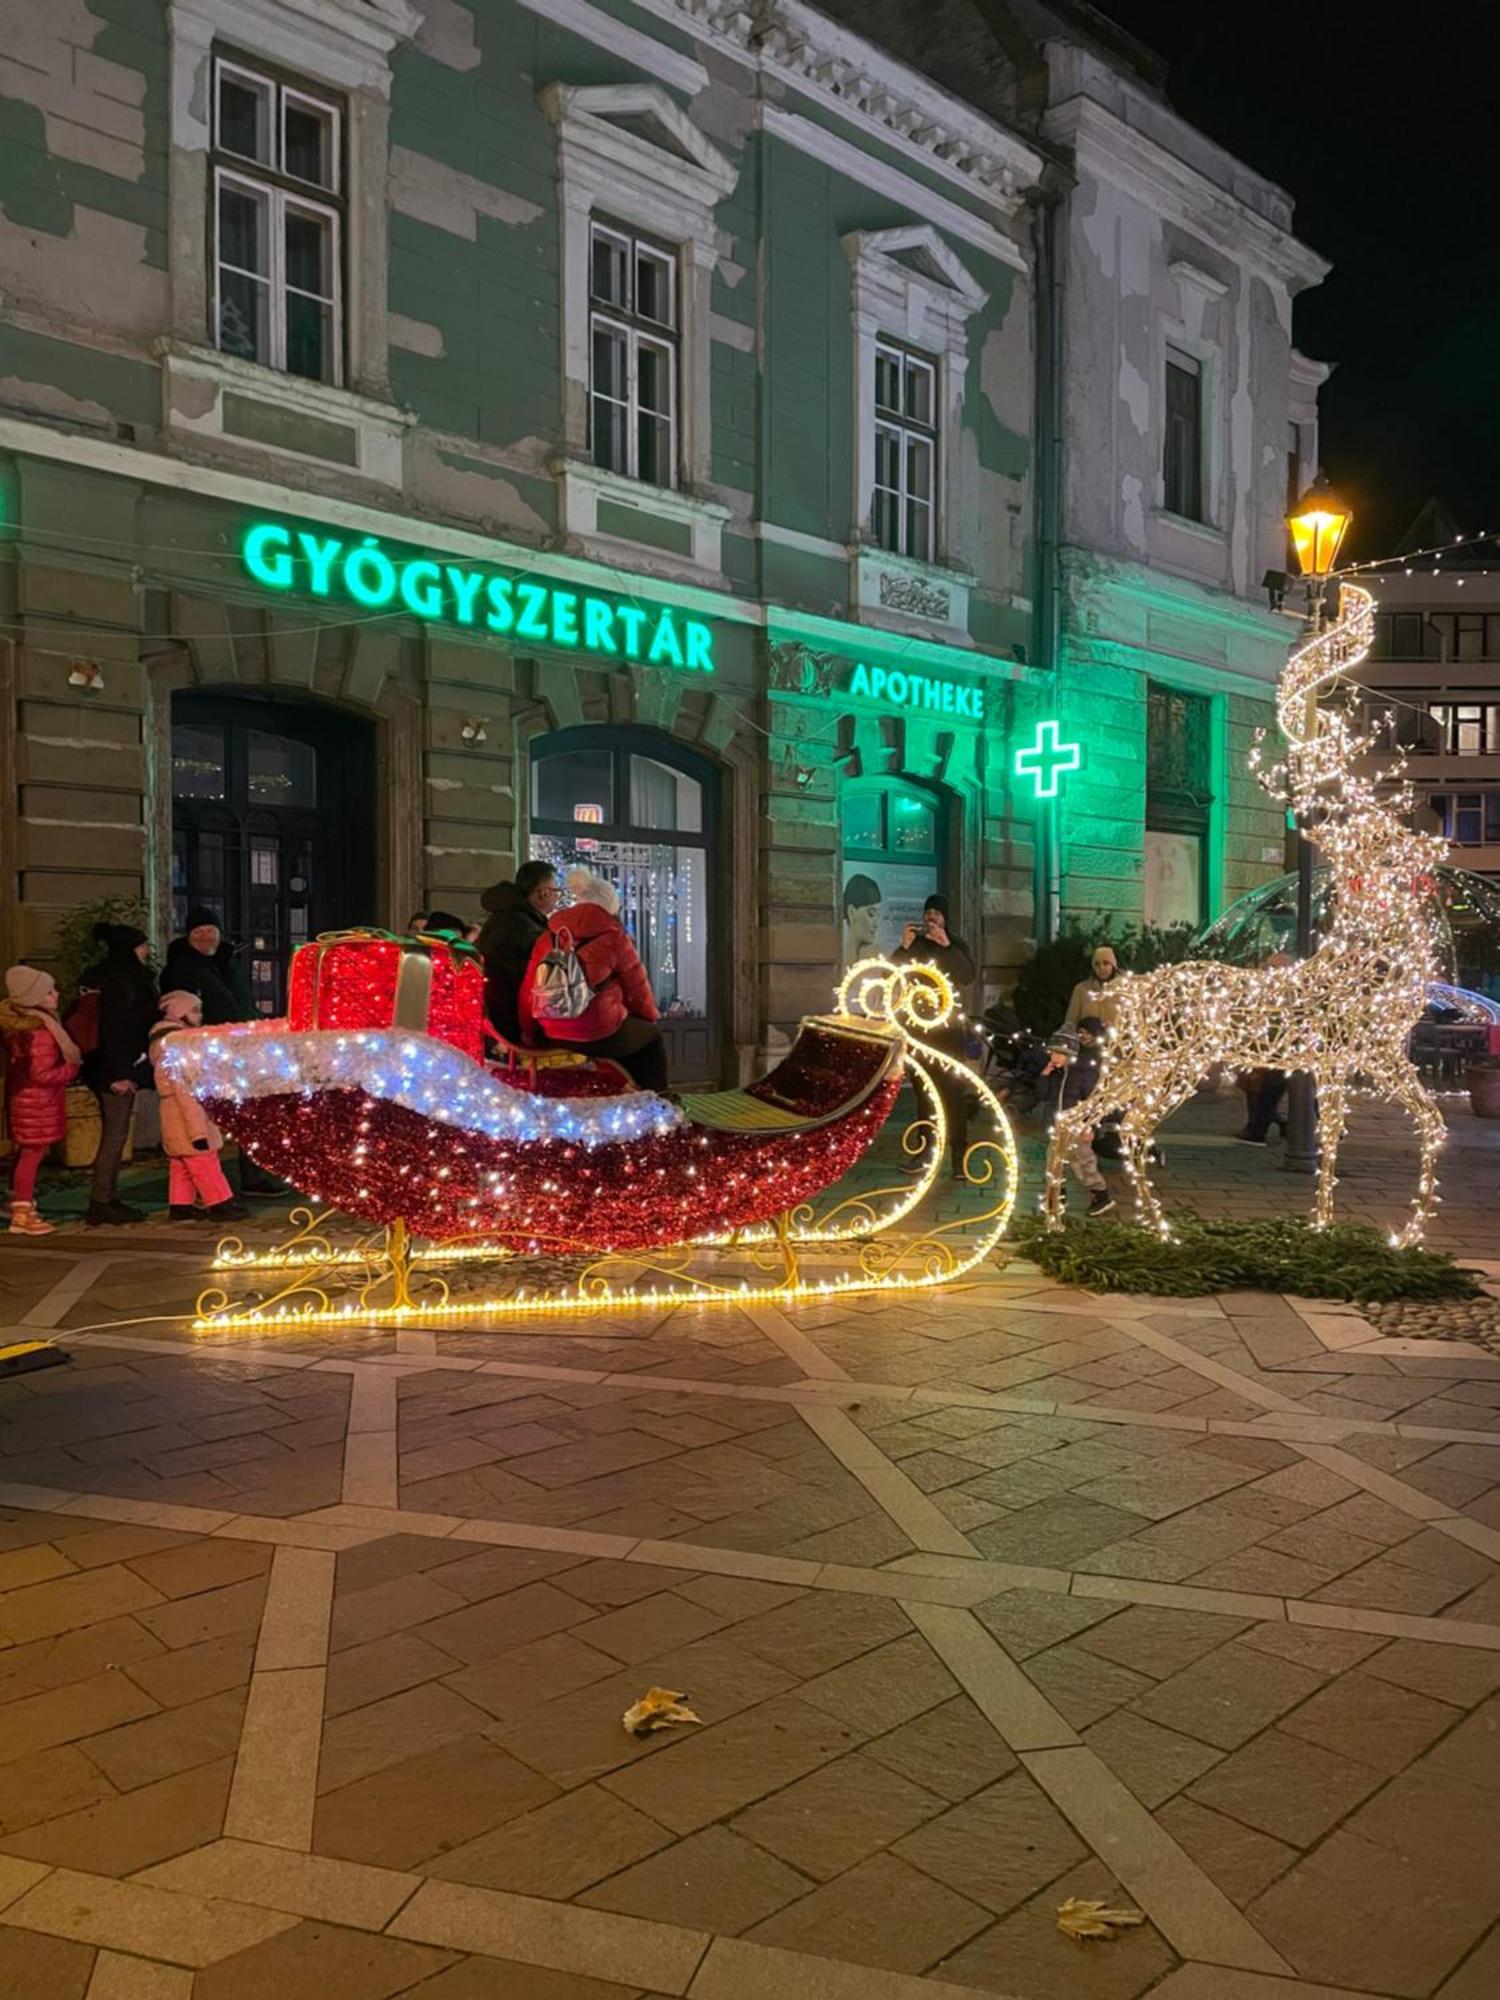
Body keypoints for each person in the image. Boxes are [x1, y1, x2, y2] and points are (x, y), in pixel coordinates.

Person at [519, 868, 667, 1091]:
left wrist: (529, 1033)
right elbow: (638, 989)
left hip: (553, 1030)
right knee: (650, 1038)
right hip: (599, 1033)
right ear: (609, 906)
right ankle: (657, 1102)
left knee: (627, 1036)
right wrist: (648, 1017)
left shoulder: (548, 936)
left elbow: (528, 990)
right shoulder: (614, 936)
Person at [161, 908, 276, 1194]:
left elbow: (240, 1000)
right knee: (203, 1117)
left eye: (210, 930)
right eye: (198, 931)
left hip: (241, 1045)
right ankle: (202, 1188)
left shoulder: (227, 961)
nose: (205, 937)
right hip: (207, 1048)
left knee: (248, 1111)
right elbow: (181, 1009)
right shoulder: (180, 966)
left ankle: (250, 1176)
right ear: (188, 935)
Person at [77, 922, 158, 1227]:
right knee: (115, 1135)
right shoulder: (123, 980)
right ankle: (101, 1201)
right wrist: (120, 1073)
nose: (146, 951)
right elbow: (117, 1030)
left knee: (116, 1133)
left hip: (105, 1067)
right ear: (130, 948)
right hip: (113, 1070)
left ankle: (107, 1197)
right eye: (142, 945)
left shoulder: (104, 975)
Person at [893, 894, 978, 1177]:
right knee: (924, 1094)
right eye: (927, 911)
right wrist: (903, 947)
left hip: (949, 1032)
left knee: (952, 1094)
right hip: (919, 1031)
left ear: (945, 918)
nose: (931, 917)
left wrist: (948, 946)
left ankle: (959, 1158)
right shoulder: (915, 945)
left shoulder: (955, 945)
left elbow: (967, 976)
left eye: (937, 913)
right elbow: (893, 974)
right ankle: (924, 1153)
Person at [150, 992, 247, 1222]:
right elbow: (186, 1092)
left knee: (181, 1162)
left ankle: (180, 1205)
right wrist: (198, 1132)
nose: (199, 1015)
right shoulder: (179, 1045)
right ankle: (220, 1203)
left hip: (173, 1113)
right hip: (186, 1115)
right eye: (194, 1011)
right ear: (179, 1014)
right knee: (203, 1159)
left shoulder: (164, 1042)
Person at [1, 966, 81, 1236]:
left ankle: (16, 1201)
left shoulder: (19, 1025)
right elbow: (41, 1073)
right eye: (49, 991)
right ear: (33, 997)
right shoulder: (40, 1032)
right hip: (36, 1102)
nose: (55, 994)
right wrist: (71, 1068)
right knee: (31, 1154)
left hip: (25, 1099)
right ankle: (23, 1213)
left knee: (26, 1153)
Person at [478, 861, 560, 1044]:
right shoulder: (523, 928)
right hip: (510, 1025)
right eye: (556, 891)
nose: (557, 897)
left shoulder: (509, 916)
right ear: (543, 893)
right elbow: (533, 982)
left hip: (496, 1017)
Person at [1041, 1019, 1115, 1216]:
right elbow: (1041, 1095)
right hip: (1057, 1124)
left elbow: (1093, 1101)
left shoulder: (1084, 1073)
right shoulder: (1055, 1073)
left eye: (1058, 1053)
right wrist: (1044, 1075)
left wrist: (1091, 1126)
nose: (1053, 1057)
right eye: (1052, 1052)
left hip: (1077, 1126)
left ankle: (1100, 1195)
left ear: (1070, 1054)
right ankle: (1055, 1197)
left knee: (1082, 1162)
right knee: (1053, 1162)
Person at [1064, 945, 1124, 1032]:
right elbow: (1071, 1022)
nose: (1101, 968)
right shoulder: (1081, 989)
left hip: (1116, 1042)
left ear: (1113, 966)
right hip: (1086, 1042)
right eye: (1097, 964)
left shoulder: (1124, 990)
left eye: (1106, 963)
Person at [842, 874, 883, 965]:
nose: (876, 924)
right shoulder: (835, 955)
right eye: (871, 913)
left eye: (878, 914)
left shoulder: (879, 958)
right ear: (851, 912)